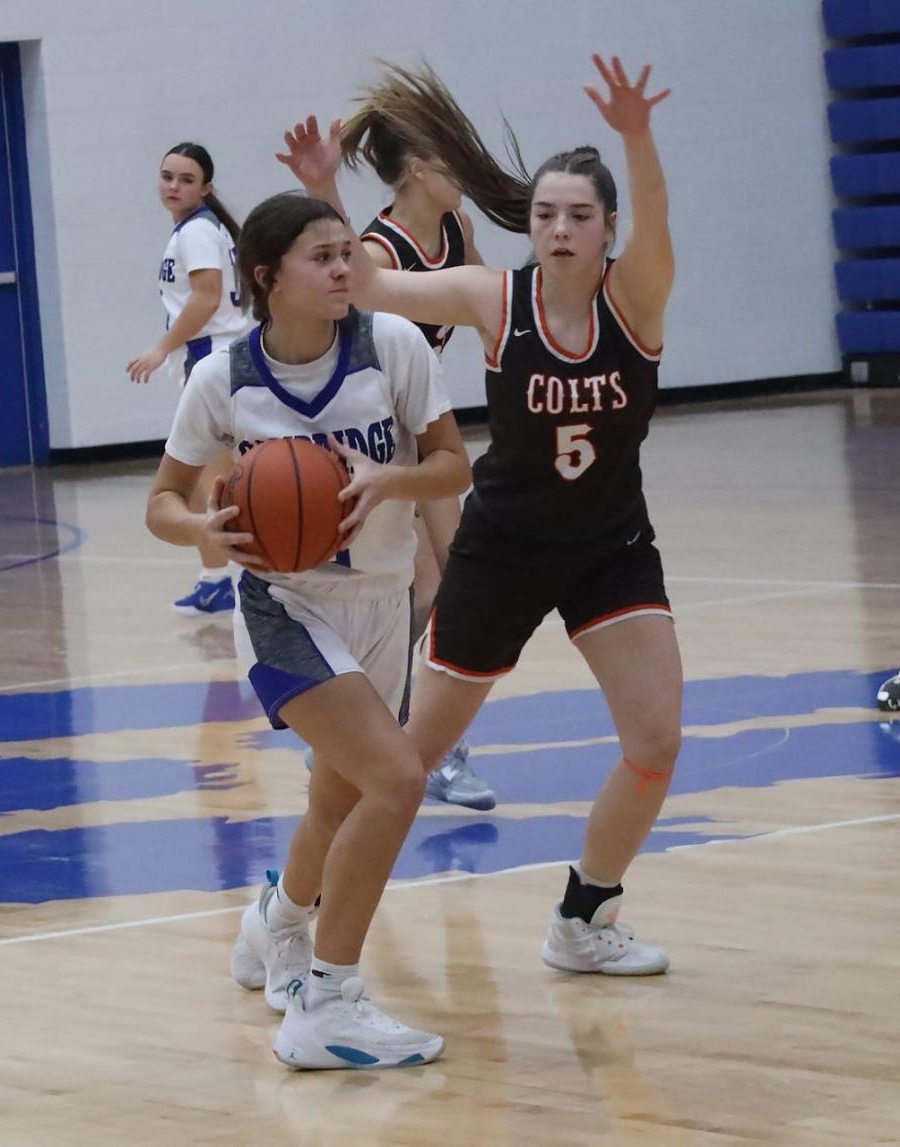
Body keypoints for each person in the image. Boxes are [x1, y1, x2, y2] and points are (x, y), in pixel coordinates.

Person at [279, 54, 678, 976]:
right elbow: (371, 289)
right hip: (503, 554)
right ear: (528, 227)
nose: (560, 228)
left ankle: (584, 916)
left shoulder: (638, 295)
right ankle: (295, 907)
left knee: (655, 741)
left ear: (609, 227)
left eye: (581, 214)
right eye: (545, 214)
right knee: (402, 765)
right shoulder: (496, 297)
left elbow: (658, 217)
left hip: (612, 547)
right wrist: (323, 189)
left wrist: (636, 134)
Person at [146, 191, 471, 1068]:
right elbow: (163, 503)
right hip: (286, 606)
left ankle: (275, 923)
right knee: (399, 782)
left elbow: (452, 465)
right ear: (268, 277)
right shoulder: (224, 378)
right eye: (323, 257)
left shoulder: (391, 345)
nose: (342, 269)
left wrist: (386, 480)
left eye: (346, 253)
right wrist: (202, 531)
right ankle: (327, 1002)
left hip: (383, 600)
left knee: (339, 799)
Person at [307, 106, 495, 811]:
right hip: (371, 429)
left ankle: (401, 738)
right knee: (416, 591)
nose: (465, 175)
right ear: (417, 168)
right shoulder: (382, 251)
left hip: (422, 422)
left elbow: (488, 309)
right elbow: (347, 280)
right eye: (452, 160)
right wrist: (324, 186)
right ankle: (388, 741)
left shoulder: (456, 229)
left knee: (449, 588)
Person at [128, 142, 252, 615]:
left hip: (210, 359)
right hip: (213, 359)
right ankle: (217, 576)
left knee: (212, 479)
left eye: (184, 179)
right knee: (209, 477)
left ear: (206, 188)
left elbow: (206, 297)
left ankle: (231, 578)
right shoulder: (198, 229)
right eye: (167, 176)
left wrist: (160, 348)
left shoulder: (197, 233)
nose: (173, 186)